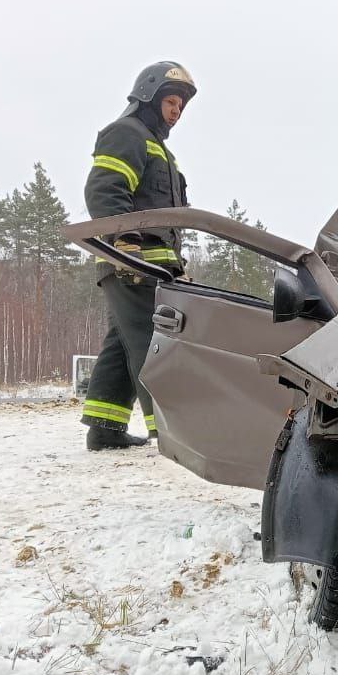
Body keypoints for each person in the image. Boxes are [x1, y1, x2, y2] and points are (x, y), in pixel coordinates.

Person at [80, 61, 196, 450]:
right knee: (152, 339)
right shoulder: (126, 134)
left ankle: (104, 427)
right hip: (133, 261)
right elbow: (104, 189)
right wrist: (123, 244)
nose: (177, 111)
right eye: (171, 101)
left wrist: (177, 263)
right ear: (149, 94)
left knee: (122, 342)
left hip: (155, 262)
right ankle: (169, 430)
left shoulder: (162, 152)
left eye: (181, 105)